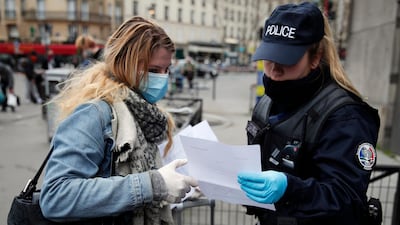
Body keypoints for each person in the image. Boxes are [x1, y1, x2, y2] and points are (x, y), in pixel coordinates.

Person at [39, 16, 198, 224]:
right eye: (153, 70)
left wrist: (181, 184)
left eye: (166, 70)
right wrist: (153, 184)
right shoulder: (94, 113)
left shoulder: (144, 112)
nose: (162, 78)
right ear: (125, 65)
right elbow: (56, 196)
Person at [237, 2, 380, 225]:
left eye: (287, 58)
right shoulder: (267, 102)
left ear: (315, 57)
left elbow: (348, 200)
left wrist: (290, 189)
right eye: (269, 57)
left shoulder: (346, 116)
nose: (274, 69)